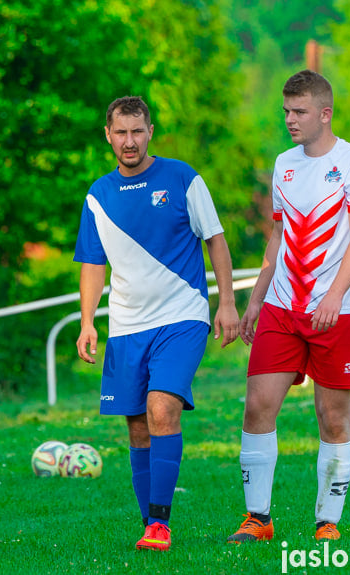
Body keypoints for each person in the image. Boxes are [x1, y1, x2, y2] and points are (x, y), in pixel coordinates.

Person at [74, 96, 239, 551]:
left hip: (182, 316)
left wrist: (226, 303)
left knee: (161, 407)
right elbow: (92, 263)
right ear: (108, 135)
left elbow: (217, 241)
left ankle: (161, 524)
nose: (130, 141)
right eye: (121, 133)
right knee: (137, 425)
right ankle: (150, 521)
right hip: (126, 327)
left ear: (151, 131)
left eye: (137, 131)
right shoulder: (98, 195)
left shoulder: (182, 178)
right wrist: (88, 322)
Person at [228, 70, 350, 543]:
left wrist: (335, 295)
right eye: (286, 112)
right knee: (257, 406)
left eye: (299, 112)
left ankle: (326, 521)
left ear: (324, 113)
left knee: (332, 417)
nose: (290, 120)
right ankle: (258, 519)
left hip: (337, 311)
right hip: (281, 308)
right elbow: (278, 235)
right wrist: (254, 299)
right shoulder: (283, 164)